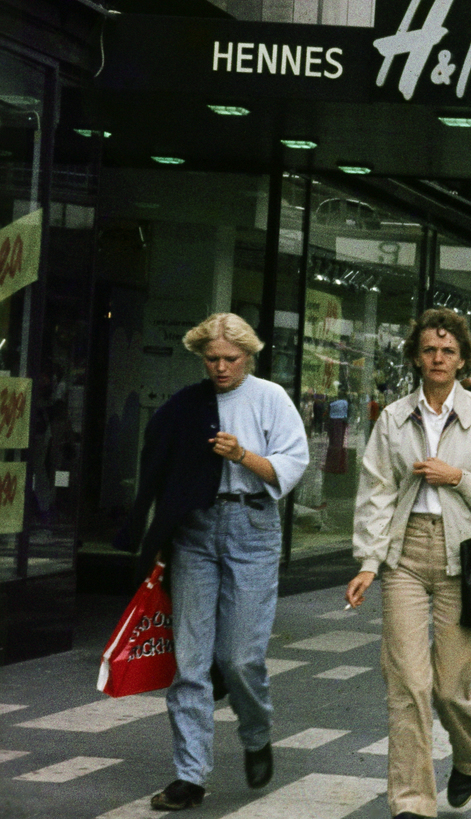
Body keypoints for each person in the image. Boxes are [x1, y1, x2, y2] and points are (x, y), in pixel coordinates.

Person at [125, 313, 309, 812]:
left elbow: (292, 466)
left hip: (253, 526)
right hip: (196, 532)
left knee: (240, 657)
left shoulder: (271, 398)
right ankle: (189, 775)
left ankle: (255, 733)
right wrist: (159, 534)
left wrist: (243, 455)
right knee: (190, 662)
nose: (221, 368)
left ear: (248, 355)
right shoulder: (188, 404)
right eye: (212, 359)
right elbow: (161, 467)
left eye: (230, 359)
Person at [347, 308, 471, 819]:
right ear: (416, 358)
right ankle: (412, 803)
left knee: (449, 688)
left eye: (448, 351)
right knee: (407, 683)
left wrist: (459, 478)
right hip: (404, 556)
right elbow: (375, 492)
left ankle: (467, 757)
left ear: (463, 358)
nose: (438, 358)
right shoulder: (395, 418)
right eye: (429, 350)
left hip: (462, 558)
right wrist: (368, 562)